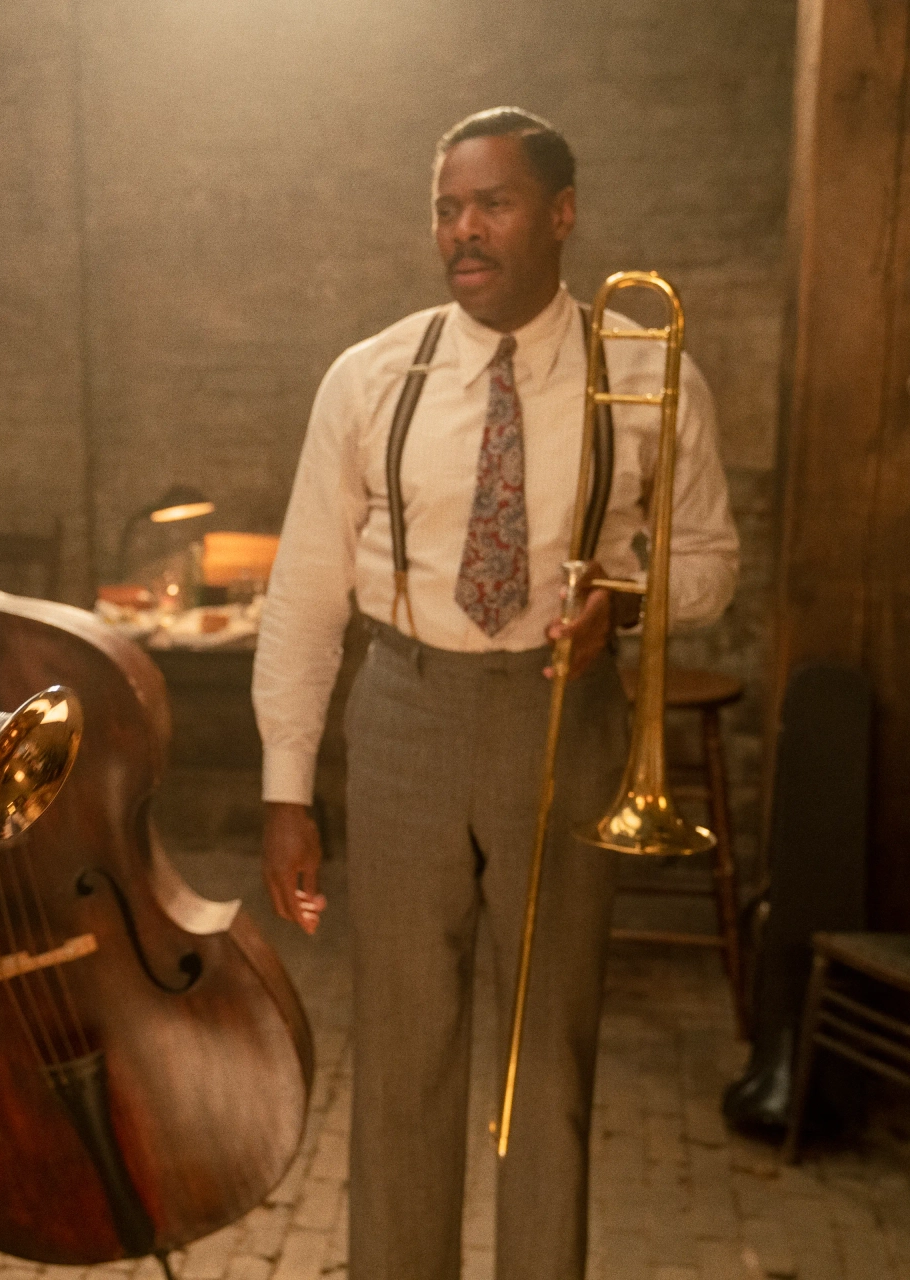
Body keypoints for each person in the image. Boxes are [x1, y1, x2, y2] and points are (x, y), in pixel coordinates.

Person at [253, 108, 738, 1280]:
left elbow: (714, 564)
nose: (462, 231)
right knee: (405, 1055)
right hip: (407, 713)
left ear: (562, 214)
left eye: (493, 204)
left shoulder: (648, 371)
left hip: (563, 721)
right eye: (446, 208)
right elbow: (307, 589)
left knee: (550, 1059)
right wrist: (287, 786)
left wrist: (622, 599)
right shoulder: (371, 376)